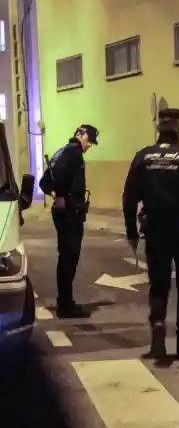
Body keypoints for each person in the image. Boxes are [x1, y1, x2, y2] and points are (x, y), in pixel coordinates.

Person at [122, 108, 179, 359]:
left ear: (158, 128)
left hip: (155, 228)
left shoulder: (143, 157)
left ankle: (158, 325)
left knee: (158, 284)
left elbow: (129, 197)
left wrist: (131, 231)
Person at [44, 124, 99, 318]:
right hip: (69, 214)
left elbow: (44, 182)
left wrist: (55, 195)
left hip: (66, 212)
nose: (89, 145)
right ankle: (65, 305)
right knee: (69, 258)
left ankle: (65, 302)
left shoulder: (61, 151)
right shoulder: (73, 153)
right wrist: (60, 196)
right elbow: (58, 176)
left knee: (66, 257)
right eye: (89, 140)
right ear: (80, 135)